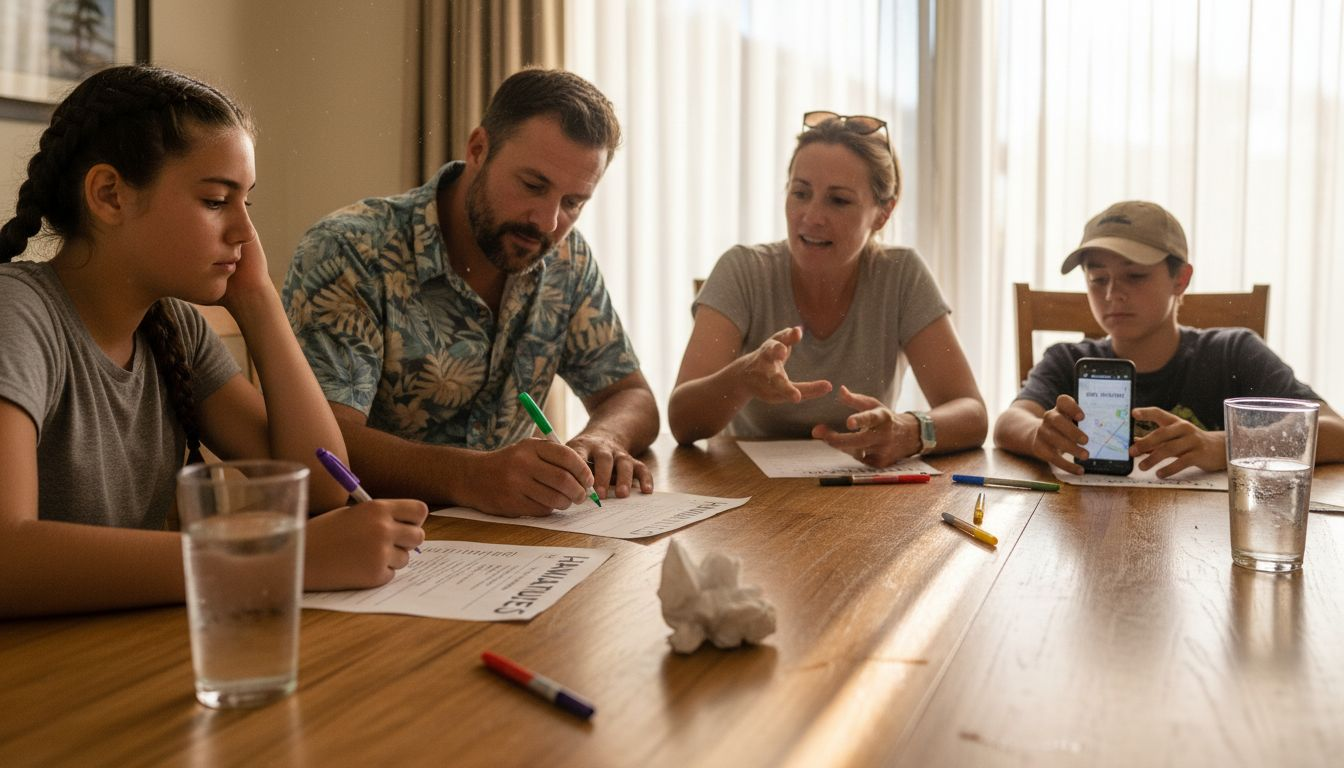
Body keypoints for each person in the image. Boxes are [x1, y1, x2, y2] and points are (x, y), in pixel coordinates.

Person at [0, 65, 427, 618]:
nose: (246, 233)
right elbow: (9, 557)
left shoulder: (172, 326)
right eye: (215, 201)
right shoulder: (18, 313)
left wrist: (259, 303)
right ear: (109, 195)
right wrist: (281, 560)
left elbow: (320, 490)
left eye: (245, 202)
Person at [283, 68, 658, 518]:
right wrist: (472, 476)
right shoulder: (351, 249)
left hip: (514, 544)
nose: (547, 222)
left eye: (573, 202)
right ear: (478, 149)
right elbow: (326, 444)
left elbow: (632, 396)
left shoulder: (566, 259)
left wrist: (604, 438)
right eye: (533, 185)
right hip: (370, 543)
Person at [668, 111, 988, 464]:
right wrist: (740, 380)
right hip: (747, 493)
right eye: (800, 193)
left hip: (861, 492)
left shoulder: (902, 275)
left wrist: (908, 429)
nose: (812, 216)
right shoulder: (742, 269)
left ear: (883, 213)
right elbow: (682, 423)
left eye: (838, 200)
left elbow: (972, 414)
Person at [994, 199, 1344, 476]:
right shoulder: (1067, 359)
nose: (1113, 294)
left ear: (1181, 280)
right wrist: (1038, 434)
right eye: (1098, 279)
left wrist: (1223, 446)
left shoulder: (1233, 352)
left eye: (1135, 276)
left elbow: (1333, 430)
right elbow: (1010, 422)